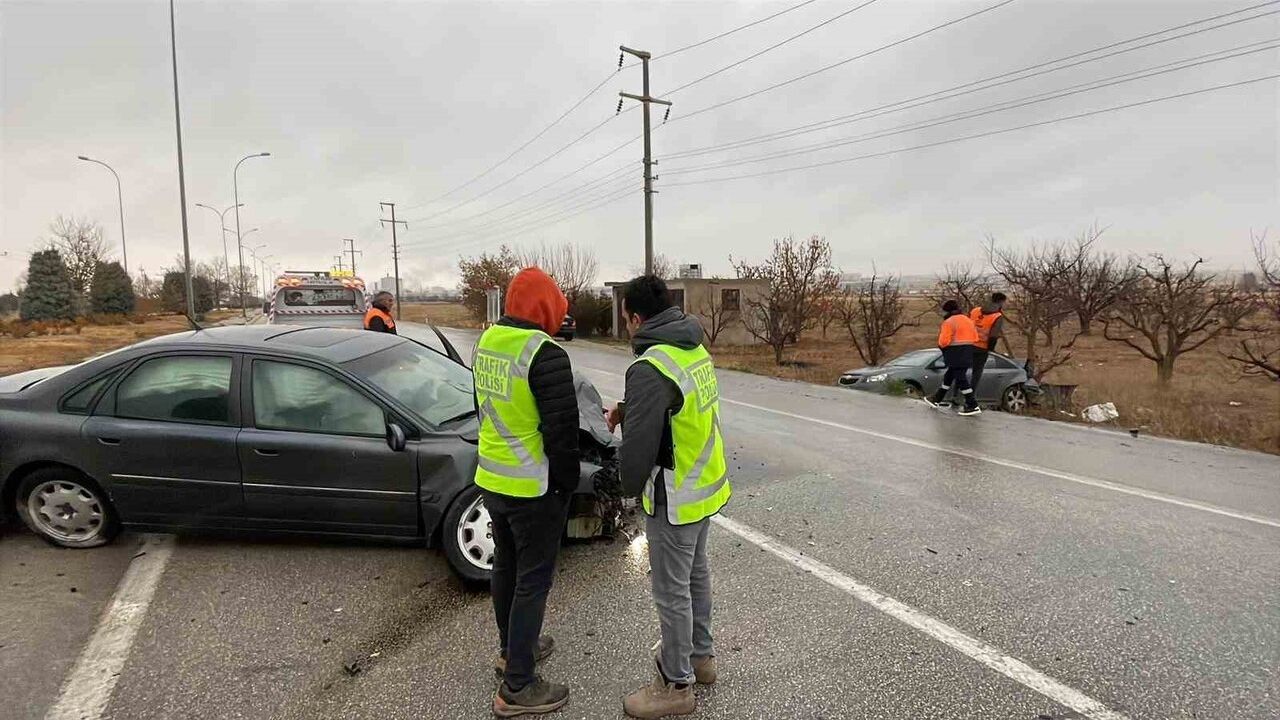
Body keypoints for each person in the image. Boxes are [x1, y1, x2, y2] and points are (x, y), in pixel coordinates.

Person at [606, 275, 731, 719]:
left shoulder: (649, 366)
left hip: (674, 495)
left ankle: (676, 685)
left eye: (626, 319)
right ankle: (701, 657)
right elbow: (675, 405)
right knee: (695, 575)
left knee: (671, 591)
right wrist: (627, 410)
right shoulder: (692, 348)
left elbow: (639, 450)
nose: (626, 327)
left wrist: (622, 489)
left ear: (637, 319)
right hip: (704, 485)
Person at [473, 267, 578, 717]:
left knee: (507, 567)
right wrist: (566, 487)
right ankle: (518, 685)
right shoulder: (545, 353)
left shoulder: (488, 341)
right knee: (533, 581)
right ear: (544, 307)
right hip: (533, 487)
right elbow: (562, 435)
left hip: (492, 479)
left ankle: (512, 649)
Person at [927, 299, 982, 416]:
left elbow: (943, 341)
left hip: (955, 353)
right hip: (968, 351)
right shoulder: (968, 320)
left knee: (961, 379)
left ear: (947, 311)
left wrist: (943, 347)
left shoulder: (949, 322)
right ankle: (937, 399)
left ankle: (972, 405)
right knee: (949, 376)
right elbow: (976, 337)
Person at [968, 292, 1010, 394]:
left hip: (968, 344)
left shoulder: (975, 311)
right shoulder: (997, 316)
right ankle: (969, 396)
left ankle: (956, 395)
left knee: (961, 370)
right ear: (1001, 302)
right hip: (982, 348)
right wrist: (990, 349)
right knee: (976, 373)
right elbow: (993, 336)